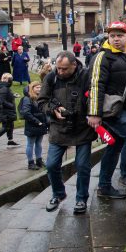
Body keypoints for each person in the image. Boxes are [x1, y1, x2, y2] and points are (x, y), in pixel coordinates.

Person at [88, 21, 126, 197]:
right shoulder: (102, 57)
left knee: (115, 146)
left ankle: (104, 186)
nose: (116, 39)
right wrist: (94, 113)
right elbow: (96, 85)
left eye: (120, 35)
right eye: (112, 36)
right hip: (113, 110)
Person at [39, 52, 96, 214]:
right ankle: (58, 194)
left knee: (83, 166)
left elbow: (95, 98)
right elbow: (41, 101)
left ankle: (81, 199)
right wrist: (53, 110)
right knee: (51, 165)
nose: (61, 72)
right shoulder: (51, 78)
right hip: (59, 128)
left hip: (82, 128)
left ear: (74, 65)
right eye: (58, 68)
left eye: (64, 69)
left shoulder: (86, 76)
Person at [19, 81, 48, 170]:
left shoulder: (41, 98)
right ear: (32, 88)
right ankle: (30, 162)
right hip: (32, 125)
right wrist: (37, 121)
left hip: (41, 124)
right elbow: (26, 113)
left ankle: (39, 160)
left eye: (40, 87)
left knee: (39, 143)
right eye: (37, 87)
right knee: (30, 144)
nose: (39, 89)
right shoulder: (27, 99)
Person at [0, 73, 19, 146]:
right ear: (5, 79)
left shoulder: (5, 87)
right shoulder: (4, 88)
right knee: (6, 127)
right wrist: (11, 105)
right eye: (10, 79)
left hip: (8, 111)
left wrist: (13, 95)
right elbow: (1, 100)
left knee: (11, 125)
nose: (11, 80)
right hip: (6, 111)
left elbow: (5, 96)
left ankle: (10, 140)